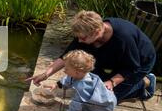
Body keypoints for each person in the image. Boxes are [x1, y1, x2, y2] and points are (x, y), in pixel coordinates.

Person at [27, 10, 157, 103]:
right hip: (113, 61)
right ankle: (113, 80)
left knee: (103, 100)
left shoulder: (123, 38)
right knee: (91, 85)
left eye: (82, 38)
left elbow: (131, 67)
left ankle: (144, 84)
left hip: (139, 63)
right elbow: (65, 56)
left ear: (97, 31)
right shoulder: (86, 33)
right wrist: (45, 74)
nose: (80, 41)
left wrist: (111, 82)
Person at [52, 50, 117, 111]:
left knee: (81, 102)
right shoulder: (81, 74)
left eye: (66, 68)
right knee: (81, 96)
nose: (64, 70)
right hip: (108, 101)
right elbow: (69, 78)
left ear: (77, 72)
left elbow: (77, 102)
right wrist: (58, 84)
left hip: (102, 109)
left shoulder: (83, 87)